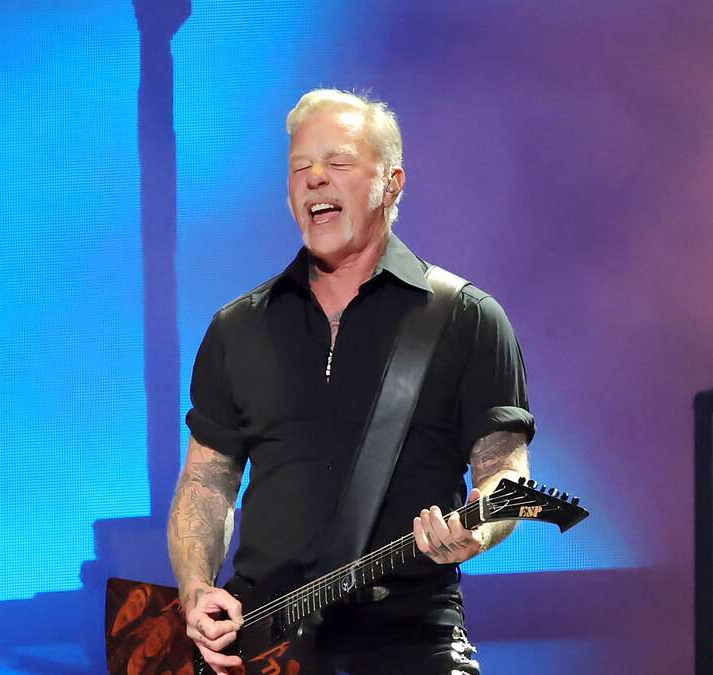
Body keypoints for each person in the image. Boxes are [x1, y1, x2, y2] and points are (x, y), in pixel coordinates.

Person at [167, 88, 533, 675]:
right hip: (262, 643)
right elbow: (206, 483)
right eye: (300, 168)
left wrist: (478, 532)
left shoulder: (466, 318)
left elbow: (506, 476)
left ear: (392, 183)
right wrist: (194, 589)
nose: (314, 178)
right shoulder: (238, 327)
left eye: (337, 162)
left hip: (409, 638)